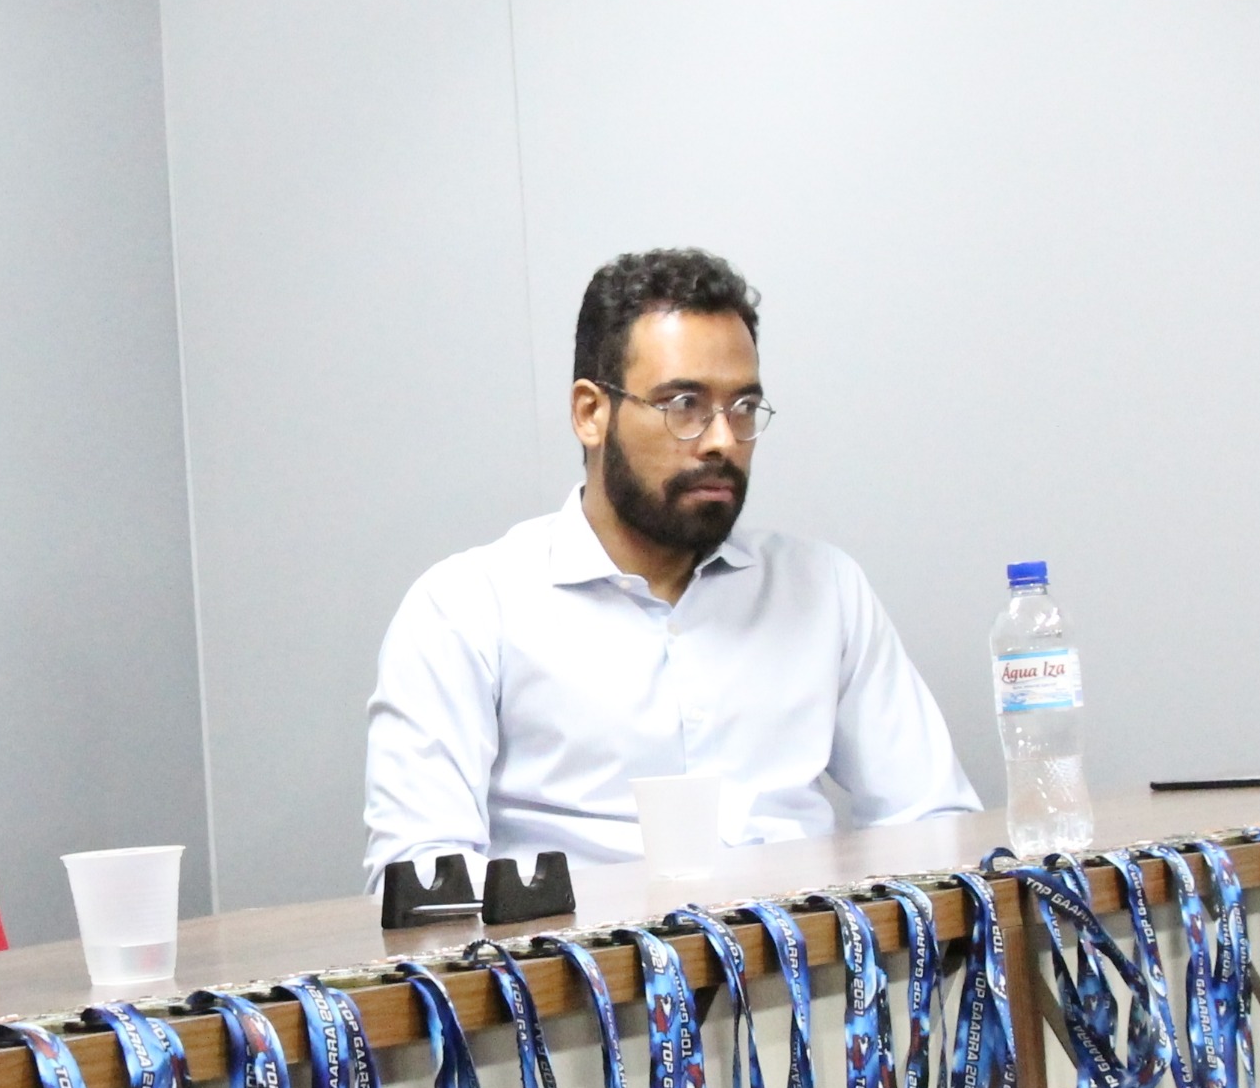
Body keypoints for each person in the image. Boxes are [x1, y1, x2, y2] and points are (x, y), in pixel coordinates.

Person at [362, 247, 974, 882]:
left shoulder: (821, 590)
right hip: (581, 945)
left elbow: (933, 824)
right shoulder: (467, 610)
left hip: (801, 942)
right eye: (685, 404)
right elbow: (421, 881)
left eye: (743, 408)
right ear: (591, 413)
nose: (722, 440)